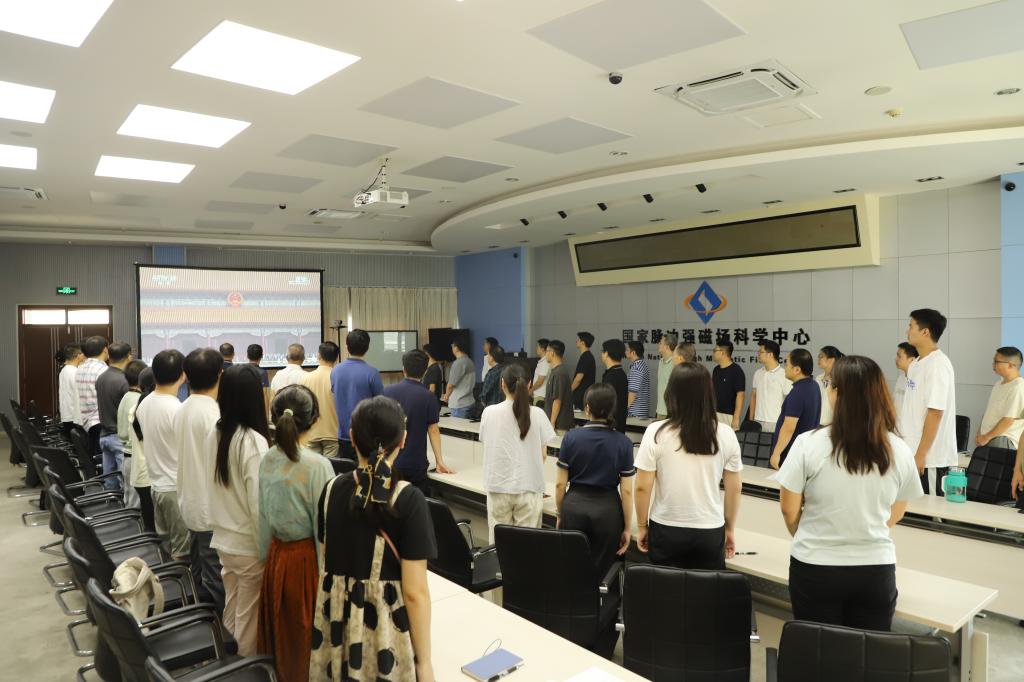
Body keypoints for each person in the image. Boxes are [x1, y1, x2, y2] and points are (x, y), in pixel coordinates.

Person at [777, 356, 923, 631]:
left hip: (815, 566)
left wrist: (807, 534)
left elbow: (788, 508)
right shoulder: (899, 449)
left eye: (830, 385)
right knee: (866, 649)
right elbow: (897, 511)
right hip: (875, 568)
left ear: (837, 393)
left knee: (818, 649)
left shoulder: (808, 444)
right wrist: (865, 529)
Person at [311, 396, 437, 682]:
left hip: (336, 624)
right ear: (403, 440)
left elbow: (326, 560)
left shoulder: (330, 489)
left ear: (352, 437)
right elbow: (415, 593)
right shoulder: (409, 499)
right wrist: (425, 661)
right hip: (383, 631)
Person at [257, 384, 335, 682]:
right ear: (314, 419)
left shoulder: (268, 457)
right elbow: (324, 530)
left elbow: (263, 516)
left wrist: (266, 561)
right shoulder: (318, 466)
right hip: (306, 564)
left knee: (282, 637)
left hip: (276, 558)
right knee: (305, 641)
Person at [634, 363, 743, 569]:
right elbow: (735, 489)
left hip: (665, 527)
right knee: (705, 587)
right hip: (709, 529)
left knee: (665, 587)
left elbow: (642, 487)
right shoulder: (726, 434)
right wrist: (729, 529)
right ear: (708, 394)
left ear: (671, 393)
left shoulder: (656, 432)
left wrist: (641, 526)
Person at [209, 364, 271, 656]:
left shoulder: (217, 432)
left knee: (232, 607)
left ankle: (227, 663)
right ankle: (246, 670)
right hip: (248, 546)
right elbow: (259, 507)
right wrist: (267, 550)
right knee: (249, 619)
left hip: (224, 539)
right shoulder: (253, 442)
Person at [555, 383, 635, 577]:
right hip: (607, 512)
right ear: (612, 409)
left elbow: (559, 484)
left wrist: (560, 513)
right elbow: (626, 491)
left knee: (571, 569)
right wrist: (627, 527)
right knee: (604, 572)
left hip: (573, 507)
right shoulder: (624, 443)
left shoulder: (570, 438)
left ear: (587, 408)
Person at [175, 348, 226, 615]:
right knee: (217, 580)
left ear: (186, 375)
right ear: (220, 374)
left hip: (190, 502)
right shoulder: (214, 415)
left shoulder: (182, 408)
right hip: (209, 509)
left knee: (199, 574)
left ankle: (200, 621)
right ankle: (223, 633)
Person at [480, 364, 556, 542]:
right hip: (529, 488)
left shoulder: (489, 413)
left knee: (499, 545)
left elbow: (488, 444)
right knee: (527, 546)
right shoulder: (538, 414)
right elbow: (543, 455)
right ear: (529, 384)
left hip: (497, 487)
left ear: (502, 384)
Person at [134, 350, 191, 560]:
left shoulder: (144, 403)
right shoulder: (177, 409)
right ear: (182, 374)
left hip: (157, 486)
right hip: (175, 489)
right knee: (182, 553)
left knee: (167, 547)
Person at [900, 309, 958, 496]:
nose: (907, 331)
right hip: (912, 453)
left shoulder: (937, 364)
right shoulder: (916, 363)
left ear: (925, 332)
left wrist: (921, 454)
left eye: (911, 326)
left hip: (931, 460)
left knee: (931, 511)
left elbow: (935, 412)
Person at [383, 349, 454, 494]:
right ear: (424, 371)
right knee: (415, 503)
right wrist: (439, 461)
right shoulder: (428, 397)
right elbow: (433, 431)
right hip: (415, 464)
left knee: (391, 502)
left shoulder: (387, 392)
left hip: (390, 461)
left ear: (404, 369)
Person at [332, 330, 384, 459]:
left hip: (344, 434)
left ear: (347, 346)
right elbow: (381, 405)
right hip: (367, 435)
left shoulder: (336, 370)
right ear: (367, 347)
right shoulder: (372, 373)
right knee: (368, 470)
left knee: (347, 469)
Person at [770, 349, 822, 470]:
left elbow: (789, 427)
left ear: (797, 370)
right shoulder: (813, 386)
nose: (785, 367)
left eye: (787, 364)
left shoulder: (798, 392)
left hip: (790, 454)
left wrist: (776, 453)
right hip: (805, 452)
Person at [96, 342, 133, 488]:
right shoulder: (124, 381)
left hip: (104, 436)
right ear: (129, 357)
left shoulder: (101, 377)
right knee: (127, 486)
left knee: (110, 484)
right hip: (119, 439)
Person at [122, 364, 154, 531]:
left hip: (139, 471)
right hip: (149, 475)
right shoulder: (151, 408)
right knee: (153, 526)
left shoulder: (137, 407)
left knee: (148, 523)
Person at [976, 346, 1024, 450]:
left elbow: (1008, 419)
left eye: (996, 361)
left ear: (1011, 365)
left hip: (1002, 440)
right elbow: (989, 412)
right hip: (987, 438)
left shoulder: (1018, 387)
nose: (993, 365)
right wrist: (980, 432)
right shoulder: (998, 384)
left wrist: (986, 437)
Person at [300, 341, 341, 457]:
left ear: (318, 355)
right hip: (333, 432)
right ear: (336, 358)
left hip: (311, 433)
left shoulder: (306, 378)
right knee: (331, 467)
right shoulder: (338, 378)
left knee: (313, 468)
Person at [76, 335, 109, 458]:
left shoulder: (80, 368)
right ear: (105, 349)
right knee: (102, 461)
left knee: (94, 458)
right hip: (99, 421)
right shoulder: (102, 370)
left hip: (86, 421)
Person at [749, 340, 790, 433]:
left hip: (775, 421)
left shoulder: (784, 374)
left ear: (770, 354)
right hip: (757, 421)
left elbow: (789, 399)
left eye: (761, 352)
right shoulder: (758, 373)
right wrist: (751, 419)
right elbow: (753, 396)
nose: (758, 354)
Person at [712, 340, 745, 430]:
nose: (713, 353)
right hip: (714, 413)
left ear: (722, 352)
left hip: (728, 415)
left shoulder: (736, 370)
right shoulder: (716, 370)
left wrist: (736, 417)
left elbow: (740, 395)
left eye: (715, 350)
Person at [544, 340, 575, 432]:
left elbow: (557, 400)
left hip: (559, 425)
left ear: (552, 353)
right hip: (557, 424)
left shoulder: (559, 373)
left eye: (547, 351)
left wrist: (552, 423)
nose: (545, 354)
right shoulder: (556, 371)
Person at [600, 339, 629, 433]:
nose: (601, 354)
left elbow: (606, 403)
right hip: (618, 426)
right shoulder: (620, 373)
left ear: (606, 353)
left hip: (611, 428)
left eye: (602, 351)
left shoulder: (612, 376)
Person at [443, 339, 475, 419]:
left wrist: (446, 396)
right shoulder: (469, 361)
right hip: (469, 401)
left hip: (459, 405)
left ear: (456, 348)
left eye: (452, 346)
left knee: (457, 426)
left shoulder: (458, 363)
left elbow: (450, 385)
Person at [58, 343, 83, 437]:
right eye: (82, 354)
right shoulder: (75, 372)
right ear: (78, 355)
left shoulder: (64, 370)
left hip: (67, 414)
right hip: (74, 417)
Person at [816, 346, 845, 426]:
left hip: (834, 425)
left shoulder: (841, 379)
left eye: (821, 357)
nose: (818, 359)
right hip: (818, 423)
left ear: (831, 360)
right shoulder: (818, 378)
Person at [892, 342, 918, 421]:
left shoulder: (919, 380)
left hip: (911, 427)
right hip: (897, 426)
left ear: (912, 360)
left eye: (899, 356)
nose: (896, 359)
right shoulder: (900, 378)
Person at [571, 331, 597, 410]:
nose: (576, 341)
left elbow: (578, 379)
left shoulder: (585, 357)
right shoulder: (588, 356)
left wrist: (569, 391)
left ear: (582, 342)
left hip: (581, 396)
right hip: (585, 395)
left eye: (578, 340)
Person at [655, 333, 678, 419]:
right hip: (660, 410)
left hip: (671, 411)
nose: (658, 344)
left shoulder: (675, 363)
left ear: (667, 347)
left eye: (661, 343)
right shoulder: (661, 362)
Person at [626, 341, 651, 419]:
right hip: (639, 411)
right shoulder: (641, 365)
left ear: (633, 353)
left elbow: (633, 393)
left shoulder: (637, 368)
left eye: (627, 350)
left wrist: (624, 409)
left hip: (635, 413)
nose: (625, 351)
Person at [247, 343, 271, 415]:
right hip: (256, 411)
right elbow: (264, 395)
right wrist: (266, 416)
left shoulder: (240, 370)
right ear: (261, 356)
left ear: (247, 356)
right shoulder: (262, 373)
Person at [532, 338, 551, 408]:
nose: (536, 349)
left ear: (542, 349)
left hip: (540, 396)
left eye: (537, 347)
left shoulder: (545, 362)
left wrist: (531, 390)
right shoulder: (543, 361)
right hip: (539, 394)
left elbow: (540, 380)